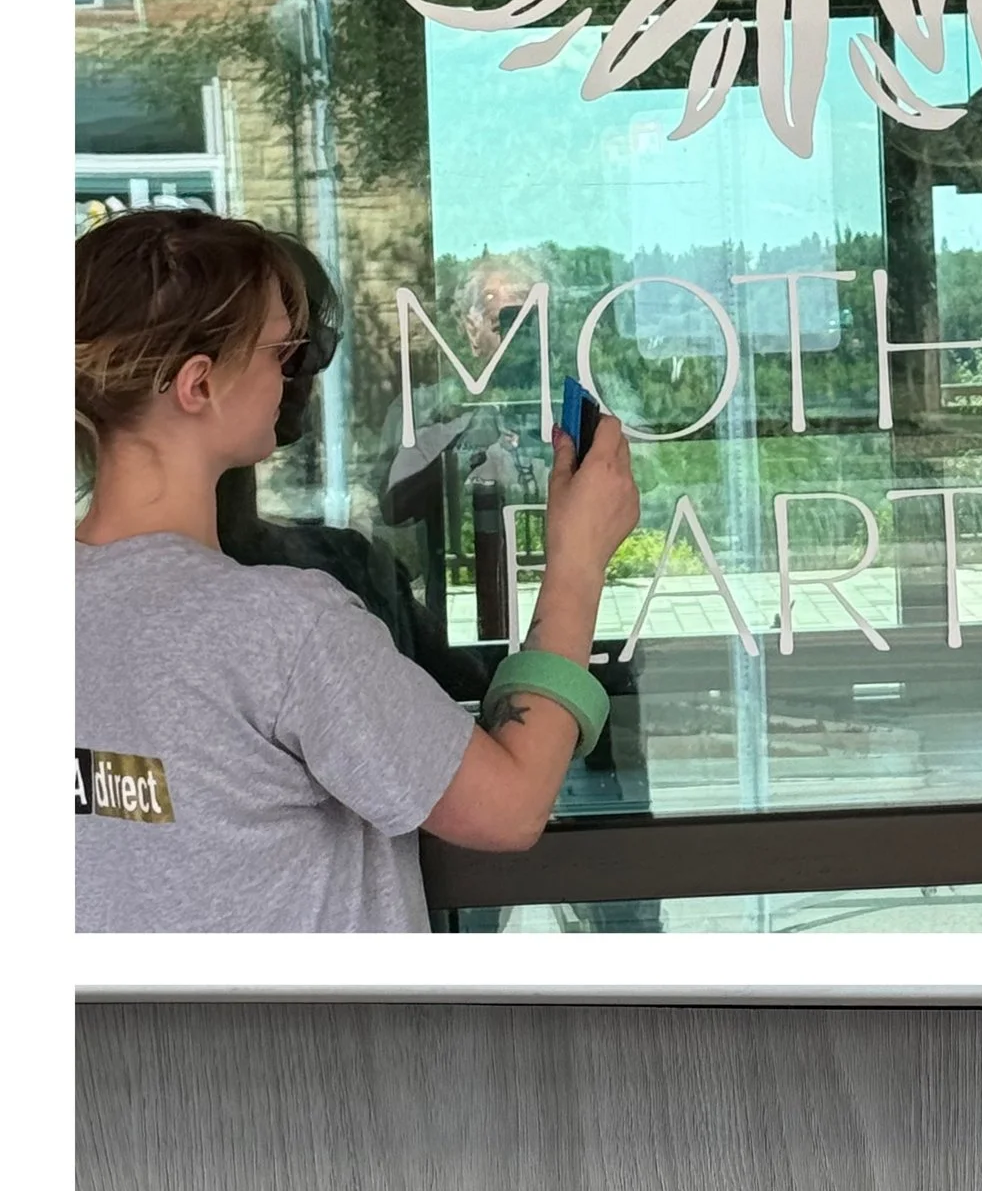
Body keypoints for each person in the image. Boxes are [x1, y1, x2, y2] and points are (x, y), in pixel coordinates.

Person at [76, 209, 640, 932]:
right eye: (280, 354)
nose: (294, 380)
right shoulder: (282, 630)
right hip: (321, 1046)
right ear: (198, 386)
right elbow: (510, 807)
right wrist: (580, 558)